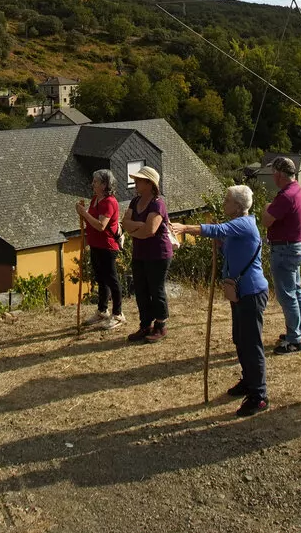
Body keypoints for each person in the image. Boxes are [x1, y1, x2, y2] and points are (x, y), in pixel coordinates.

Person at [171, 185, 269, 417]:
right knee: (240, 339)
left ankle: (259, 395)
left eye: (226, 201)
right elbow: (230, 245)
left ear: (237, 206)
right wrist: (222, 245)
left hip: (251, 292)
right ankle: (248, 380)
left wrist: (185, 227)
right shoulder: (237, 227)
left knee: (251, 343)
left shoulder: (243, 224)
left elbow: (218, 229)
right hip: (240, 293)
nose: (223, 204)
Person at [263, 156, 301, 354]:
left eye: (274, 172)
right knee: (296, 291)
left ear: (280, 174)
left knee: (287, 295)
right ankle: (300, 330)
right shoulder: (297, 190)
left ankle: (294, 339)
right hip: (296, 246)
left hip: (284, 249)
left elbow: (266, 220)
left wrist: (266, 207)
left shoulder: (285, 197)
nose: (273, 176)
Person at [124, 165, 172, 343]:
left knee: (156, 289)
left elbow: (150, 230)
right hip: (140, 253)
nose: (135, 182)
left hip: (158, 254)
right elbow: (124, 223)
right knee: (141, 290)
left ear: (149, 183)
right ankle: (145, 325)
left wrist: (133, 228)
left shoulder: (157, 204)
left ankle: (160, 325)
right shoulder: (135, 202)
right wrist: (138, 227)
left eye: (139, 180)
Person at [75, 168, 124, 329]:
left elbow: (101, 225)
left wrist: (84, 213)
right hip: (96, 245)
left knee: (112, 279)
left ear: (104, 184)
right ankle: (102, 310)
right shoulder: (95, 199)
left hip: (107, 246)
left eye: (96, 182)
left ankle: (118, 314)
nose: (92, 184)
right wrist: (83, 214)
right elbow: (91, 221)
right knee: (101, 279)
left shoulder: (109, 202)